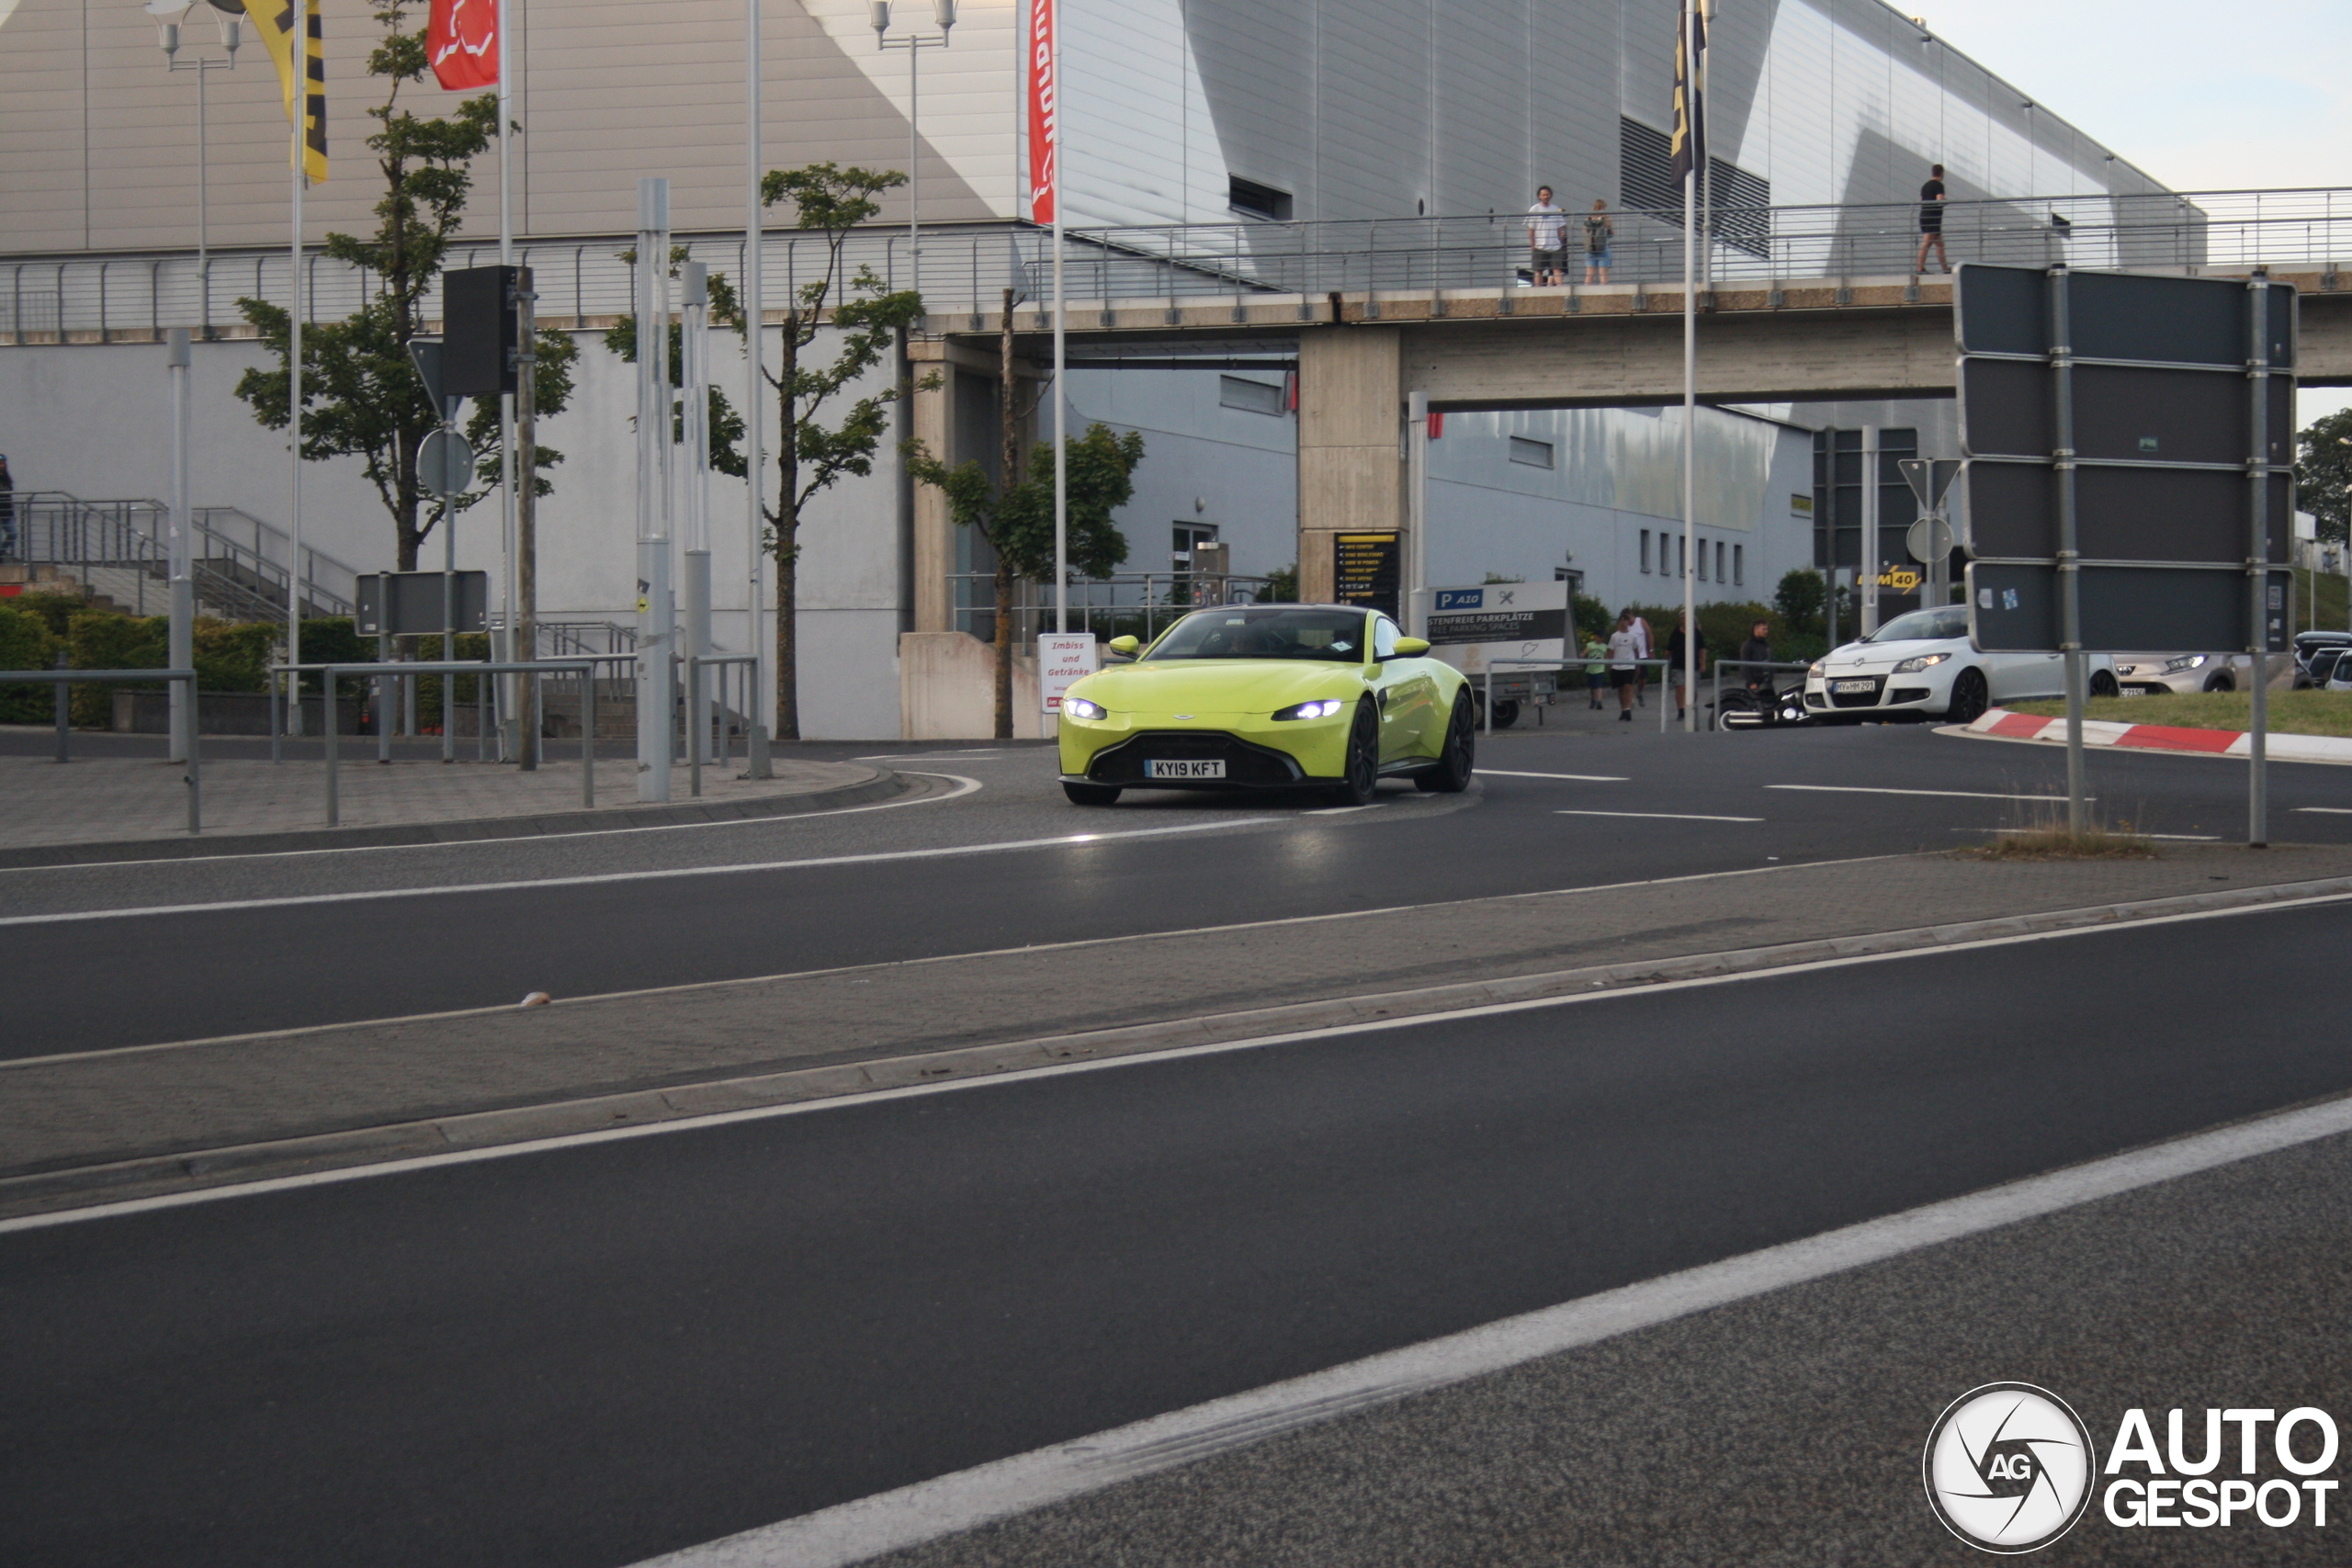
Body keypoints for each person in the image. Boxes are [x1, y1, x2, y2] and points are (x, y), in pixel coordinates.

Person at [1668, 615, 1707, 724]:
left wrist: (1703, 663)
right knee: (1680, 687)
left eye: (1686, 617)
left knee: (1692, 690)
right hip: (1678, 665)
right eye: (1682, 618)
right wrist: (1665, 661)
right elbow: (1669, 649)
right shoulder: (1676, 633)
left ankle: (1690, 707)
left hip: (1693, 666)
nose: (1684, 620)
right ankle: (1681, 711)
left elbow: (1702, 649)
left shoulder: (1696, 633)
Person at [1526, 186, 1567, 287]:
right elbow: (1531, 229)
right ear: (1539, 196)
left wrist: (1561, 237)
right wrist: (1533, 244)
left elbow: (1561, 226)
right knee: (1538, 270)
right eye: (1544, 195)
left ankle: (1561, 289)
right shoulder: (1534, 209)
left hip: (1555, 245)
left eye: (1547, 194)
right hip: (1540, 245)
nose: (1546, 196)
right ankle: (1538, 291)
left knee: (1557, 269)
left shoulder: (1555, 208)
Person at [1607, 612, 1642, 721]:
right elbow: (1611, 652)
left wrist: (1637, 665)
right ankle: (1623, 709)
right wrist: (1610, 665)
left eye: (1625, 620)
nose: (1623, 622)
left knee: (1628, 686)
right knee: (1621, 689)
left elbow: (1636, 651)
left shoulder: (1633, 637)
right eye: (1621, 620)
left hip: (1629, 665)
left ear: (1628, 622)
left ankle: (1628, 708)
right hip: (1617, 666)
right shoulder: (1614, 636)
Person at [1916, 164, 1950, 275]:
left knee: (1939, 244)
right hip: (1933, 217)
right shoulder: (1939, 185)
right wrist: (1945, 201)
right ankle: (1919, 269)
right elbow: (1939, 200)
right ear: (1941, 173)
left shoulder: (1925, 186)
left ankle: (1945, 268)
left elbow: (1921, 200)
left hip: (1924, 215)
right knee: (1926, 243)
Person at [1583, 199, 1615, 285]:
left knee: (1589, 274)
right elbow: (1610, 233)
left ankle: (1586, 293)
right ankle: (1604, 295)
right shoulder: (1606, 218)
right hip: (1603, 248)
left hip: (1590, 248)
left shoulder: (1588, 218)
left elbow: (1585, 231)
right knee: (1603, 275)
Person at [1739, 619, 1774, 692]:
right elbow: (1744, 666)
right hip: (1755, 684)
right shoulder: (1748, 645)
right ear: (1756, 629)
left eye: (1767, 629)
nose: (1766, 631)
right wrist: (1751, 683)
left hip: (1767, 683)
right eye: (1764, 629)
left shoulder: (1767, 645)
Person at [1630, 609, 1652, 706]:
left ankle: (1639, 692)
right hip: (1629, 656)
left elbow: (1649, 635)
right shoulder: (1624, 625)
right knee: (1630, 678)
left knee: (1642, 678)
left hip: (1642, 655)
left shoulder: (1641, 621)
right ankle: (1630, 699)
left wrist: (1651, 650)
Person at [1582, 629, 1610, 709]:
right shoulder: (1590, 645)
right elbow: (1584, 654)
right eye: (1600, 637)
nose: (1601, 639)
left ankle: (1599, 701)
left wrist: (1607, 661)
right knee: (1592, 686)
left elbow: (1607, 656)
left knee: (1599, 685)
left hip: (1600, 669)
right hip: (1591, 669)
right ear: (1596, 636)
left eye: (1602, 637)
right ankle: (1593, 699)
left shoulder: (1604, 646)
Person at [0, 454, 15, 561]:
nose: (2, 466)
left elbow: (10, 496)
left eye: (3, 463)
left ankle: (2, 552)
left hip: (7, 512)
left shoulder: (7, 478)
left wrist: (12, 511)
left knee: (13, 534)